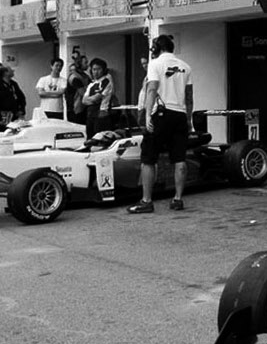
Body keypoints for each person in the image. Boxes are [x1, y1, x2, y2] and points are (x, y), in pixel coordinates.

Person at [128, 34, 193, 215]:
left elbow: (151, 89)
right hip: (180, 115)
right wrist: (188, 120)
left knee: (148, 158)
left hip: (161, 114)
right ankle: (178, 199)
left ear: (157, 48)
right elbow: (189, 97)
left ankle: (147, 201)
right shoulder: (186, 67)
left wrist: (148, 115)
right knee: (179, 159)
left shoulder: (155, 64)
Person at [79, 58, 115, 135]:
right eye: (94, 69)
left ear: (103, 70)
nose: (96, 72)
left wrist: (91, 99)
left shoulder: (106, 81)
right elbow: (84, 101)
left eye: (99, 69)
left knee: (99, 139)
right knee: (89, 138)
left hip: (102, 114)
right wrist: (91, 100)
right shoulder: (91, 84)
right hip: (90, 114)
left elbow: (97, 98)